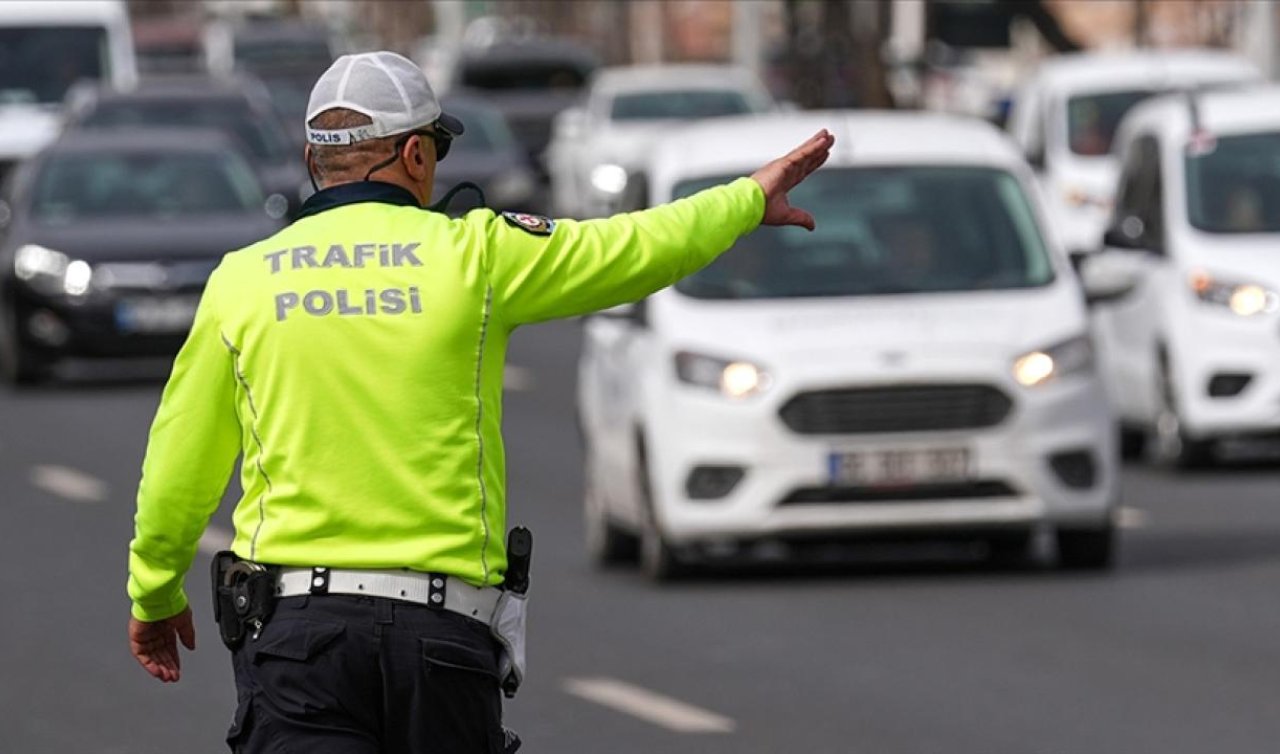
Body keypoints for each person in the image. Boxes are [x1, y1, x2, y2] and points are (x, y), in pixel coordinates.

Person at [126, 51, 833, 753]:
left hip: (299, 645)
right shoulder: (478, 255)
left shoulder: (242, 282)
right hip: (441, 641)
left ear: (316, 160)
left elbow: (178, 467)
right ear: (414, 154)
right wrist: (746, 200)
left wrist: (155, 596)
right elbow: (635, 248)